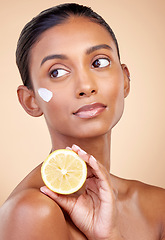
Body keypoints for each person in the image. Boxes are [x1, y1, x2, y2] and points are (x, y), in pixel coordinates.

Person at [0, 3, 164, 239]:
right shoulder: (33, 212)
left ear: (125, 78)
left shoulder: (158, 206)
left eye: (99, 62)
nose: (86, 86)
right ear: (31, 100)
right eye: (57, 72)